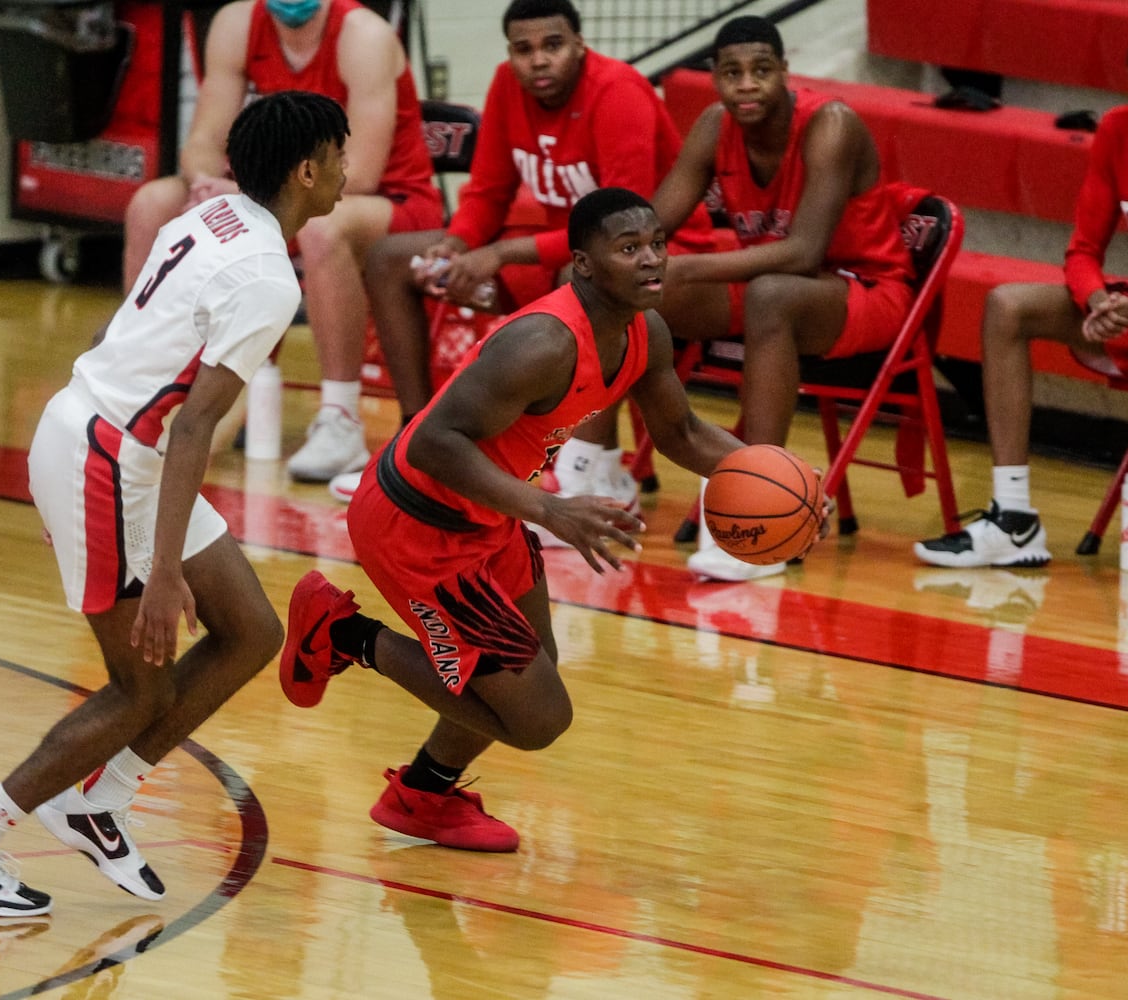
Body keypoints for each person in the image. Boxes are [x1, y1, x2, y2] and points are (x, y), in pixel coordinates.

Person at [0, 91, 349, 915]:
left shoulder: (208, 218)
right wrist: (167, 571)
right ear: (308, 170)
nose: (348, 177)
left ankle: (99, 802)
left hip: (118, 447)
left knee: (252, 630)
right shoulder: (266, 278)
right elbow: (196, 430)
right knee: (137, 690)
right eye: (341, 159)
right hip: (106, 460)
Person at [280, 188, 756, 851]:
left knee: (529, 673)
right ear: (585, 266)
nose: (651, 260)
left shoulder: (644, 330)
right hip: (418, 522)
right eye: (628, 249)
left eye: (656, 244)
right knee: (537, 718)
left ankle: (422, 794)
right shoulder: (543, 343)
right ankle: (345, 634)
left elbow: (681, 431)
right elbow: (432, 443)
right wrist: (549, 509)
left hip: (489, 515)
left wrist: (780, 476)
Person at [915, 23, 1128, 576]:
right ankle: (1013, 518)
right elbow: (1082, 249)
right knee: (1006, 306)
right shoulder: (1117, 131)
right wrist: (1096, 300)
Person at [353, 0, 708, 509]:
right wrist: (457, 243)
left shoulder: (619, 91)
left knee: (587, 279)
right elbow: (489, 190)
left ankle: (589, 470)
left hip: (643, 263)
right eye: (524, 49)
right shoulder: (505, 84)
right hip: (554, 260)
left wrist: (497, 254)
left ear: (581, 46)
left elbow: (622, 231)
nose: (537, 60)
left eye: (553, 45)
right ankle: (417, 443)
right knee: (391, 258)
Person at [122, 0, 442, 484]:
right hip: (277, 192)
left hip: (385, 201)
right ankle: (141, 388)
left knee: (320, 228)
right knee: (152, 204)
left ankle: (341, 420)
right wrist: (209, 185)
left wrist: (246, 194)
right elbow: (204, 140)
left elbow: (360, 173)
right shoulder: (235, 23)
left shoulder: (365, 36)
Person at [644, 15, 914, 582]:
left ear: (786, 73)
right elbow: (651, 223)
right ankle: (595, 473)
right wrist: (612, 256)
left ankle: (758, 521)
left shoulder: (829, 124)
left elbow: (804, 251)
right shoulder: (714, 124)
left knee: (768, 294)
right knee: (637, 297)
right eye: (733, 73)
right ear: (714, 78)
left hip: (865, 292)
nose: (747, 85)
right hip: (779, 291)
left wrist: (691, 267)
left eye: (761, 71)